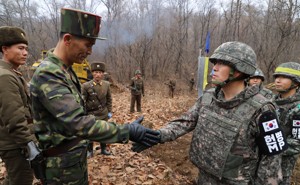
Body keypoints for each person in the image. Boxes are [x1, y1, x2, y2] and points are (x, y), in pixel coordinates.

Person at [29, 8, 160, 184]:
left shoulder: (65, 70)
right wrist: (126, 131)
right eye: (88, 45)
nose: (90, 51)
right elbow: (78, 123)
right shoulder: (49, 74)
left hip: (72, 160)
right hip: (60, 168)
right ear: (68, 39)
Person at [133, 41, 287, 184]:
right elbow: (184, 122)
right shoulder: (208, 97)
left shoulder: (262, 110)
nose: (214, 68)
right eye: (215, 63)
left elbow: (272, 160)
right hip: (203, 177)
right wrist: (157, 135)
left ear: (239, 70)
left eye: (222, 64)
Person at [0, 26, 36, 185]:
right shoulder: (5, 76)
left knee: (14, 179)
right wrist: (29, 144)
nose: (25, 53)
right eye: (20, 48)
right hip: (14, 143)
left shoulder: (13, 73)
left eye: (26, 49)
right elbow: (14, 117)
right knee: (21, 180)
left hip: (15, 141)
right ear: (5, 49)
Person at [272, 62, 300, 185]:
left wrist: (269, 146)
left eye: (283, 77)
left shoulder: (298, 108)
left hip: (283, 168)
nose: (278, 80)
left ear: (296, 82)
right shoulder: (269, 103)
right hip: (261, 166)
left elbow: (297, 143)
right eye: (277, 77)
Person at [82, 62, 112, 155]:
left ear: (103, 74)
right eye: (95, 72)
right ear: (92, 73)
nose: (98, 74)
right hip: (91, 114)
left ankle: (103, 149)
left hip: (103, 112)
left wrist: (109, 111)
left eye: (100, 72)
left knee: (103, 132)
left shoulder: (106, 84)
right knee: (90, 133)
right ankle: (90, 151)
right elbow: (83, 101)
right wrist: (84, 114)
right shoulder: (86, 86)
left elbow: (109, 99)